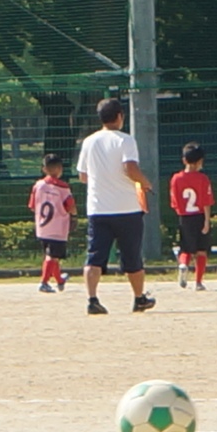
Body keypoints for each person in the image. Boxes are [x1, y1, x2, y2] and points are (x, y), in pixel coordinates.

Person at [75, 98, 156, 314]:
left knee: (94, 256)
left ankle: (92, 299)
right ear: (120, 116)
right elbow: (130, 168)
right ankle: (139, 298)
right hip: (127, 208)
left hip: (98, 209)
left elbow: (83, 176)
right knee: (132, 257)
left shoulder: (89, 141)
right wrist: (145, 183)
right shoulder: (125, 140)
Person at [169, 142, 216, 291]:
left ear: (184, 160)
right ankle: (198, 282)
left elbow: (174, 201)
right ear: (200, 161)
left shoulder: (176, 178)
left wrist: (181, 212)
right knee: (201, 251)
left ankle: (183, 265)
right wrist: (207, 221)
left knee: (186, 249)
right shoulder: (203, 179)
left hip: (185, 217)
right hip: (200, 216)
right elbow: (207, 201)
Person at [28, 153, 76, 293]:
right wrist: (74, 216)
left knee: (51, 255)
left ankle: (59, 280)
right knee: (53, 256)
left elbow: (32, 206)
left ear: (44, 169)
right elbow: (70, 206)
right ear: (60, 169)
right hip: (58, 227)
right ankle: (44, 282)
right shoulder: (63, 187)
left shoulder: (38, 185)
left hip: (42, 226)